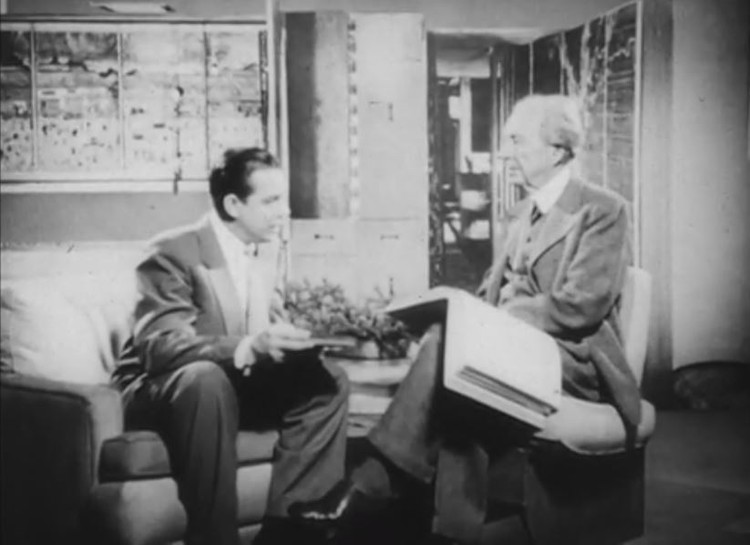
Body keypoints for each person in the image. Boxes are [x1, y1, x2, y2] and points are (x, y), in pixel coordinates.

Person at [290, 94, 642, 544]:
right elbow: (490, 290)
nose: (505, 152)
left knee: (447, 347)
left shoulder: (602, 209)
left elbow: (581, 306)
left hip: (570, 361)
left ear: (557, 151)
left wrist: (497, 319)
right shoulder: (523, 211)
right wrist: (457, 308)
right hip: (516, 352)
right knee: (458, 384)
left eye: (517, 141)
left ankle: (371, 486)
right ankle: (450, 531)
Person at [119, 148, 349, 545]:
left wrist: (289, 343)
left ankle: (290, 530)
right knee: (206, 380)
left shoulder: (266, 251)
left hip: (229, 382)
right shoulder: (174, 251)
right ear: (232, 205)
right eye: (271, 201)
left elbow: (262, 327)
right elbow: (161, 347)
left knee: (327, 381)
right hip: (166, 390)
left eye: (283, 199)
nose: (284, 211)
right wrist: (250, 346)